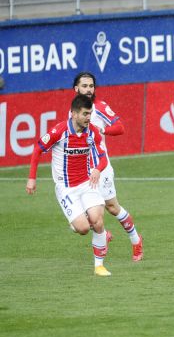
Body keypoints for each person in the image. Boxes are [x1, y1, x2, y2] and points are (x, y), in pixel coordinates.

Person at [26, 94, 113, 276]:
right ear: (73, 114)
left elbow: (103, 158)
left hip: (87, 183)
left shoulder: (93, 132)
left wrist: (97, 169)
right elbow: (37, 149)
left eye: (90, 113)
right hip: (65, 188)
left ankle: (99, 266)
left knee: (98, 221)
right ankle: (85, 227)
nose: (88, 117)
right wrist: (32, 178)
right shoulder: (59, 131)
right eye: (84, 114)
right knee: (82, 228)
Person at [73, 72, 143, 261]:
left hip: (100, 168)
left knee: (112, 207)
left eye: (91, 86)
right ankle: (102, 234)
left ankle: (136, 240)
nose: (88, 89)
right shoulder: (73, 111)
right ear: (76, 89)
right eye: (84, 86)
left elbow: (120, 127)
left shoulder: (100, 108)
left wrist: (101, 129)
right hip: (80, 171)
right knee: (78, 217)